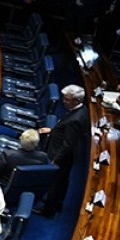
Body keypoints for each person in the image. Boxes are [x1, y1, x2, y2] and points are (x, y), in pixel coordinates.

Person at [35, 85, 90, 216]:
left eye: (67, 99)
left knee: (55, 183)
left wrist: (56, 160)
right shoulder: (81, 110)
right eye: (64, 98)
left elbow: (68, 144)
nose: (64, 101)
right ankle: (57, 204)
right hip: (67, 154)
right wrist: (52, 130)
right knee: (62, 181)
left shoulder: (75, 119)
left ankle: (48, 211)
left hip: (62, 156)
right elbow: (67, 132)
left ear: (77, 100)